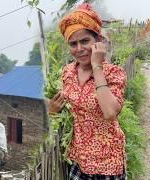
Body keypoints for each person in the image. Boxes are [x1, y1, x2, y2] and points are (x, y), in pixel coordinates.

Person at [49, 3, 127, 179]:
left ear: (98, 41)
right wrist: (53, 111)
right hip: (77, 159)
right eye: (73, 43)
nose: (79, 49)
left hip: (107, 161)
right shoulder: (67, 72)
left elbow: (110, 113)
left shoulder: (113, 73)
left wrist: (97, 66)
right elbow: (69, 113)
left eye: (85, 41)